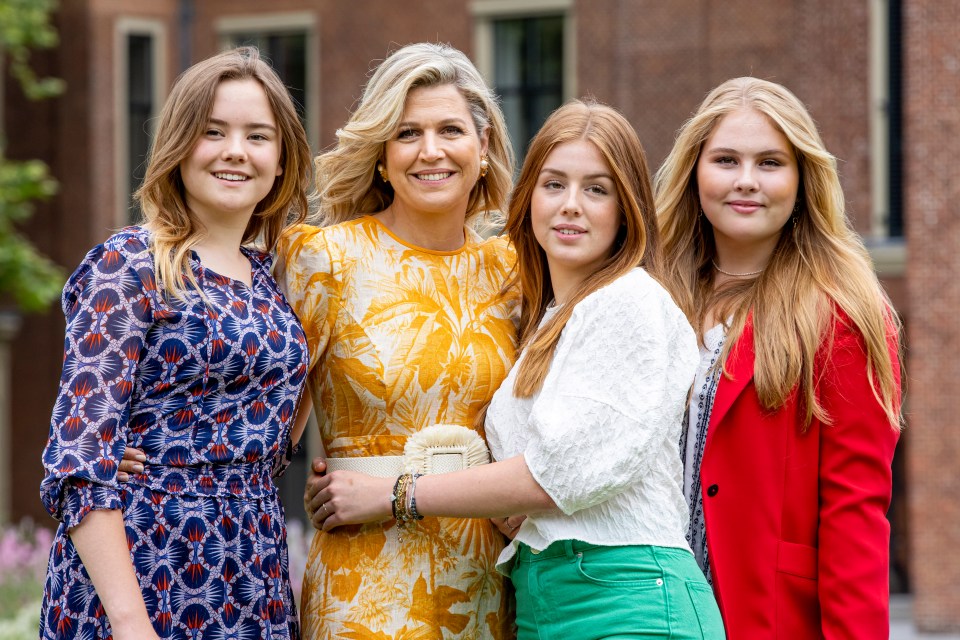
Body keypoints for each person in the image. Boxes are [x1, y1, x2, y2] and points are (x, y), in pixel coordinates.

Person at [310, 99, 727, 639]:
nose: (571, 206)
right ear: (529, 196)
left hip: (628, 596)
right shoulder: (545, 319)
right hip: (543, 599)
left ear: (628, 209)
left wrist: (392, 492)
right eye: (554, 185)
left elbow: (556, 475)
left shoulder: (629, 301)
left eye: (596, 189)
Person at [39, 47, 312, 640]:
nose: (235, 150)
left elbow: (272, 431)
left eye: (257, 136)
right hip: (143, 574)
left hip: (252, 573)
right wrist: (132, 625)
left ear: (281, 158)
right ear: (178, 145)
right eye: (213, 132)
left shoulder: (273, 281)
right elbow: (80, 464)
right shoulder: (129, 264)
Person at [272, 43, 519, 638]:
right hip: (366, 582)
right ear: (382, 155)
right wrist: (153, 447)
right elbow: (264, 417)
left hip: (489, 579)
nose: (430, 151)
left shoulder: (514, 270)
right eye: (407, 133)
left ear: (482, 148)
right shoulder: (325, 260)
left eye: (450, 130)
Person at [654, 77, 902, 638]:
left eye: (770, 163)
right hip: (651, 609)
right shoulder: (652, 295)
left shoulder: (843, 315)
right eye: (725, 160)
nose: (746, 181)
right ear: (694, 172)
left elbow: (854, 511)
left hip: (765, 615)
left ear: (801, 179)